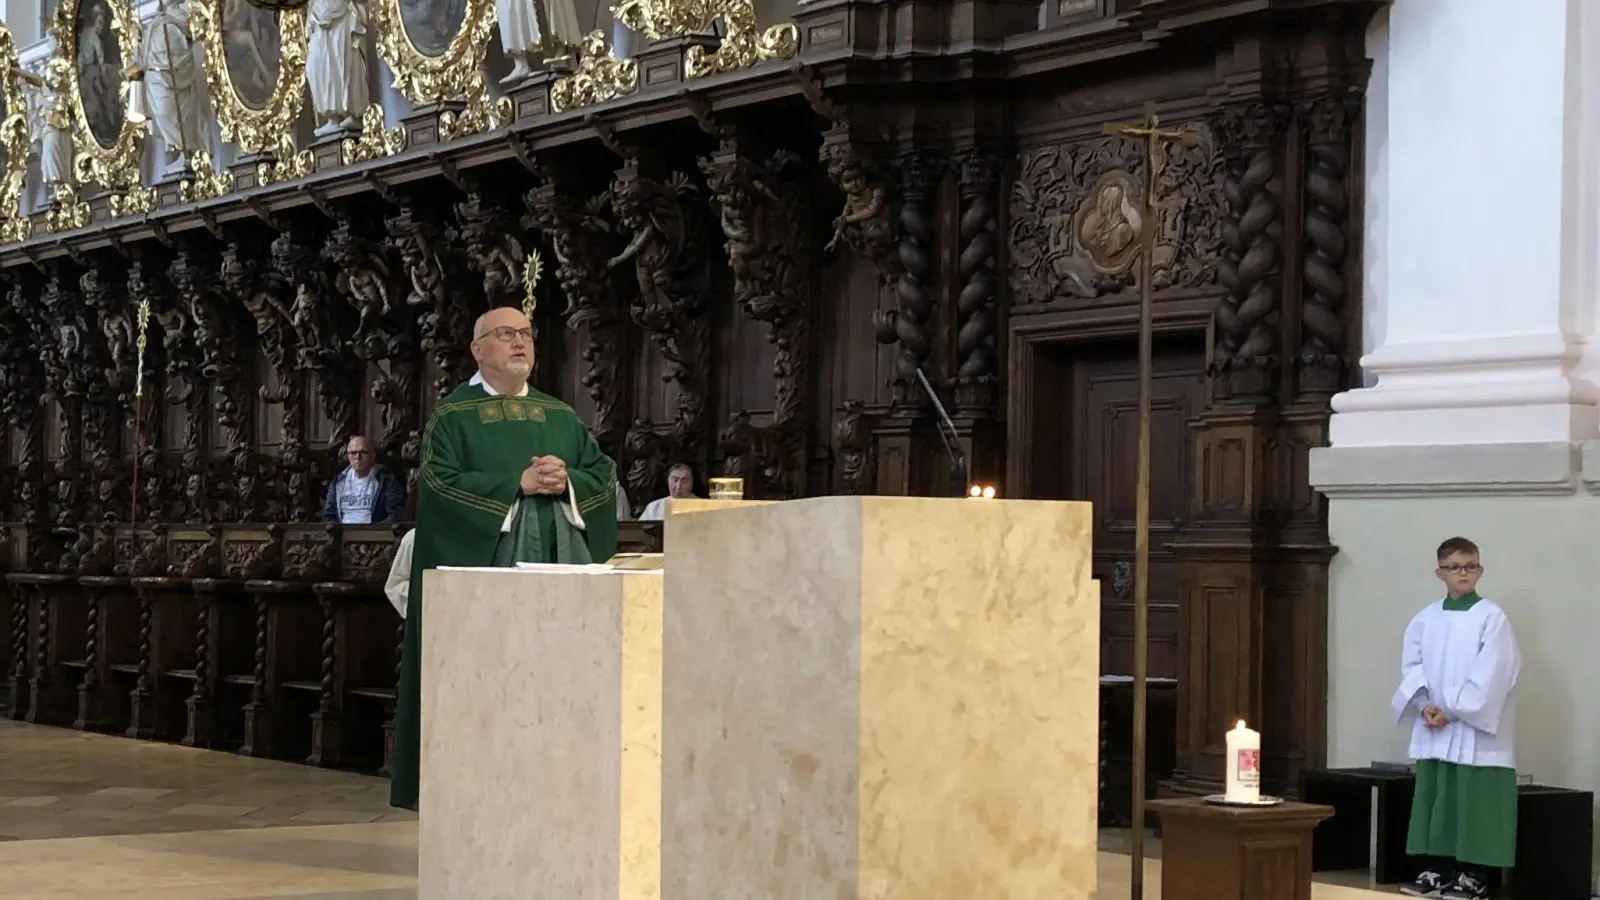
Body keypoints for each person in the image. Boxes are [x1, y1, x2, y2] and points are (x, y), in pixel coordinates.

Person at [389, 306, 618, 811]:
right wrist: (517, 485)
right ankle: (477, 788)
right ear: (478, 349)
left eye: (527, 335)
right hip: (488, 587)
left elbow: (601, 473)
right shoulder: (453, 417)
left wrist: (568, 482)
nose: (520, 343)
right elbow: (439, 487)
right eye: (506, 334)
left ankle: (561, 784)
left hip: (560, 577)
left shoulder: (560, 415)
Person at [1394, 537, 1521, 900]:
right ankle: (1437, 869)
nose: (1464, 573)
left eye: (1471, 566)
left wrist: (1449, 708)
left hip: (1477, 731)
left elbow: (1494, 673)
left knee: (1475, 800)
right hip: (1435, 725)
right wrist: (1423, 705)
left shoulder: (1491, 617)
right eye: (1455, 567)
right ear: (1440, 573)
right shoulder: (1426, 618)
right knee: (1438, 797)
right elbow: (1411, 667)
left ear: (1480, 570)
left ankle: (1473, 874)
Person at [321, 436, 407, 524]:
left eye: (363, 452)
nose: (358, 457)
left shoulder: (387, 480)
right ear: (348, 456)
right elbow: (328, 515)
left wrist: (374, 532)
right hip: (343, 534)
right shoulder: (338, 481)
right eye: (353, 453)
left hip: (375, 534)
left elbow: (395, 515)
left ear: (373, 456)